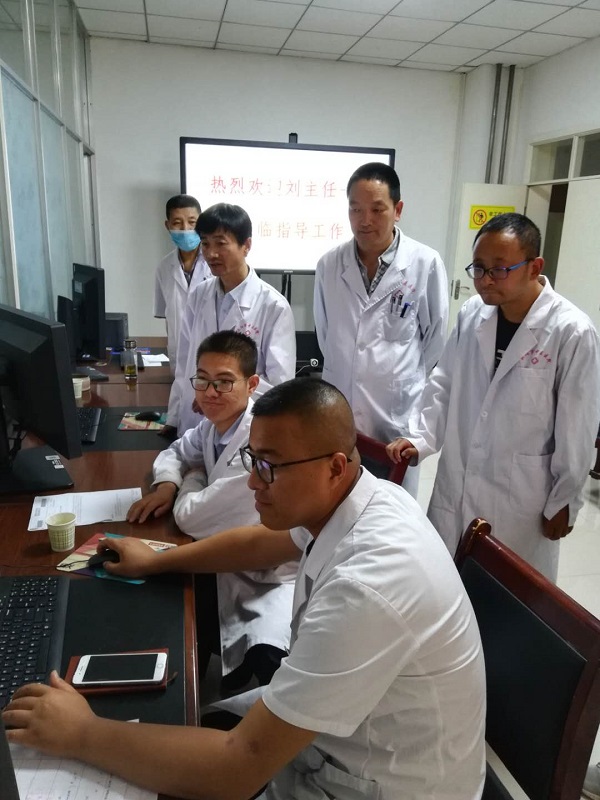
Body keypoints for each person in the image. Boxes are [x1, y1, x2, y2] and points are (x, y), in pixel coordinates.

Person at [4, 378, 486, 800]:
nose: (253, 482)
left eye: (269, 466)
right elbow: (263, 542)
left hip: (381, 783)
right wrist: (158, 560)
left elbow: (239, 767)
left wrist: (82, 733)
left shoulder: (369, 587)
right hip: (341, 741)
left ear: (335, 467)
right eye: (252, 459)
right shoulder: (365, 496)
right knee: (171, 727)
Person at [387, 212, 600, 582]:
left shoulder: (572, 331)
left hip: (522, 496)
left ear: (534, 267)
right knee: (446, 582)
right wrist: (421, 438)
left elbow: (577, 425)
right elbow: (444, 381)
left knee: (505, 592)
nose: (485, 279)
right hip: (459, 479)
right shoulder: (473, 314)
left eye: (499, 269)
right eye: (479, 268)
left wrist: (565, 498)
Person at [127, 329, 295, 688]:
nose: (210, 392)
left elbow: (192, 518)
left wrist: (193, 477)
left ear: (252, 384)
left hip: (267, 576)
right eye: (202, 380)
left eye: (224, 382)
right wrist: (168, 484)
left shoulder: (257, 442)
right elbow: (176, 451)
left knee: (168, 594)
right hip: (233, 557)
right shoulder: (214, 426)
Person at [314, 162, 448, 498]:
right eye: (355, 209)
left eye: (377, 209)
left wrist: (395, 378)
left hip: (396, 418)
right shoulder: (329, 265)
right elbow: (326, 334)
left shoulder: (425, 263)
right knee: (338, 503)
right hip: (340, 414)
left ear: (397, 210)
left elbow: (434, 342)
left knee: (390, 508)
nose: (365, 220)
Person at [167, 203, 296, 435]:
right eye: (205, 243)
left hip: (243, 426)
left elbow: (280, 385)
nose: (211, 254)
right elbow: (185, 362)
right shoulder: (199, 295)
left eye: (221, 243)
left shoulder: (273, 306)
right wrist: (174, 417)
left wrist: (218, 396)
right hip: (194, 420)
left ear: (246, 245)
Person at [154, 194, 210, 375]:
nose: (186, 229)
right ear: (168, 226)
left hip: (211, 357)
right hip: (178, 358)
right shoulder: (164, 267)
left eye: (192, 222)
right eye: (177, 223)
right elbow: (166, 315)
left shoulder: (215, 264)